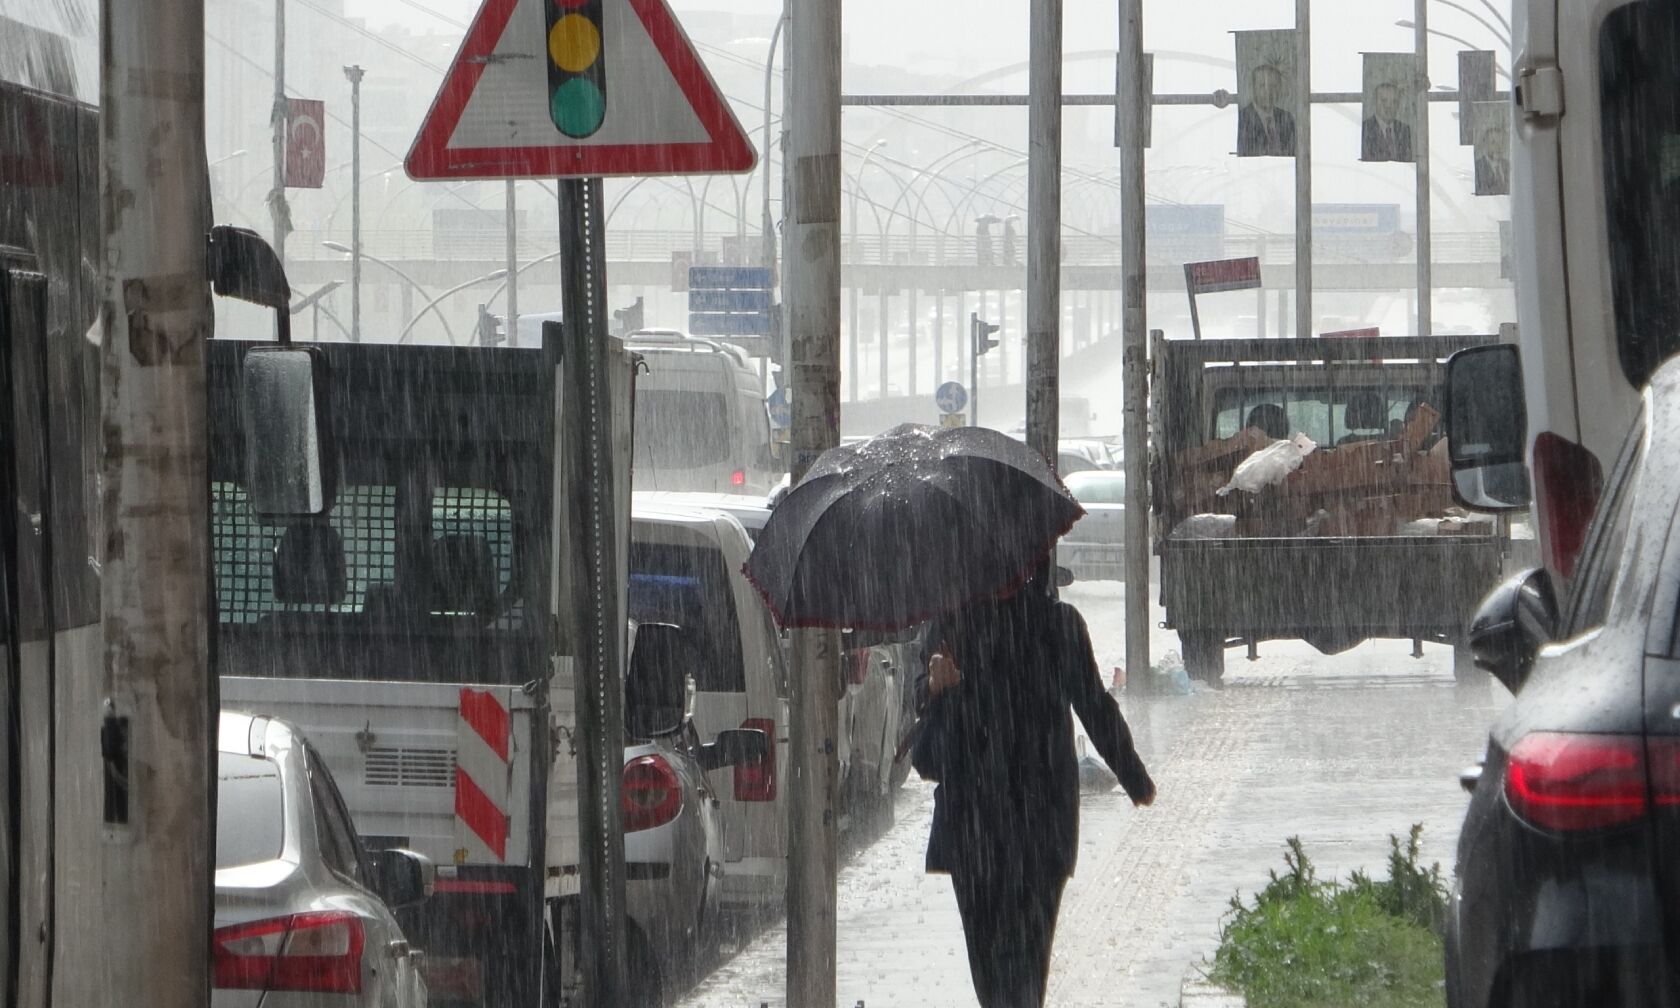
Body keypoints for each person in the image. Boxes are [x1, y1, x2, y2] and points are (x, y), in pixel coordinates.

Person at [912, 577, 1156, 1007]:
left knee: (1006, 972)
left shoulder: (1047, 625)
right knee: (1014, 970)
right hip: (1007, 823)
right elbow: (1095, 705)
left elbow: (1093, 704)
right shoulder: (964, 625)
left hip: (1000, 825)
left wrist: (1133, 776)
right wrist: (935, 684)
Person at [1237, 63, 1297, 157]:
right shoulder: (1242, 119)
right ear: (1253, 88)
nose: (1268, 91)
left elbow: (1294, 152)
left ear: (1279, 89)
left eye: (1273, 86)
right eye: (1262, 86)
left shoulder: (1287, 118)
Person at [1362, 82, 1414, 162]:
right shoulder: (1365, 128)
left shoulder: (1404, 130)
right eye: (1384, 101)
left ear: (1398, 105)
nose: (1389, 106)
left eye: (1394, 101)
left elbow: (1407, 160)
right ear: (1375, 102)